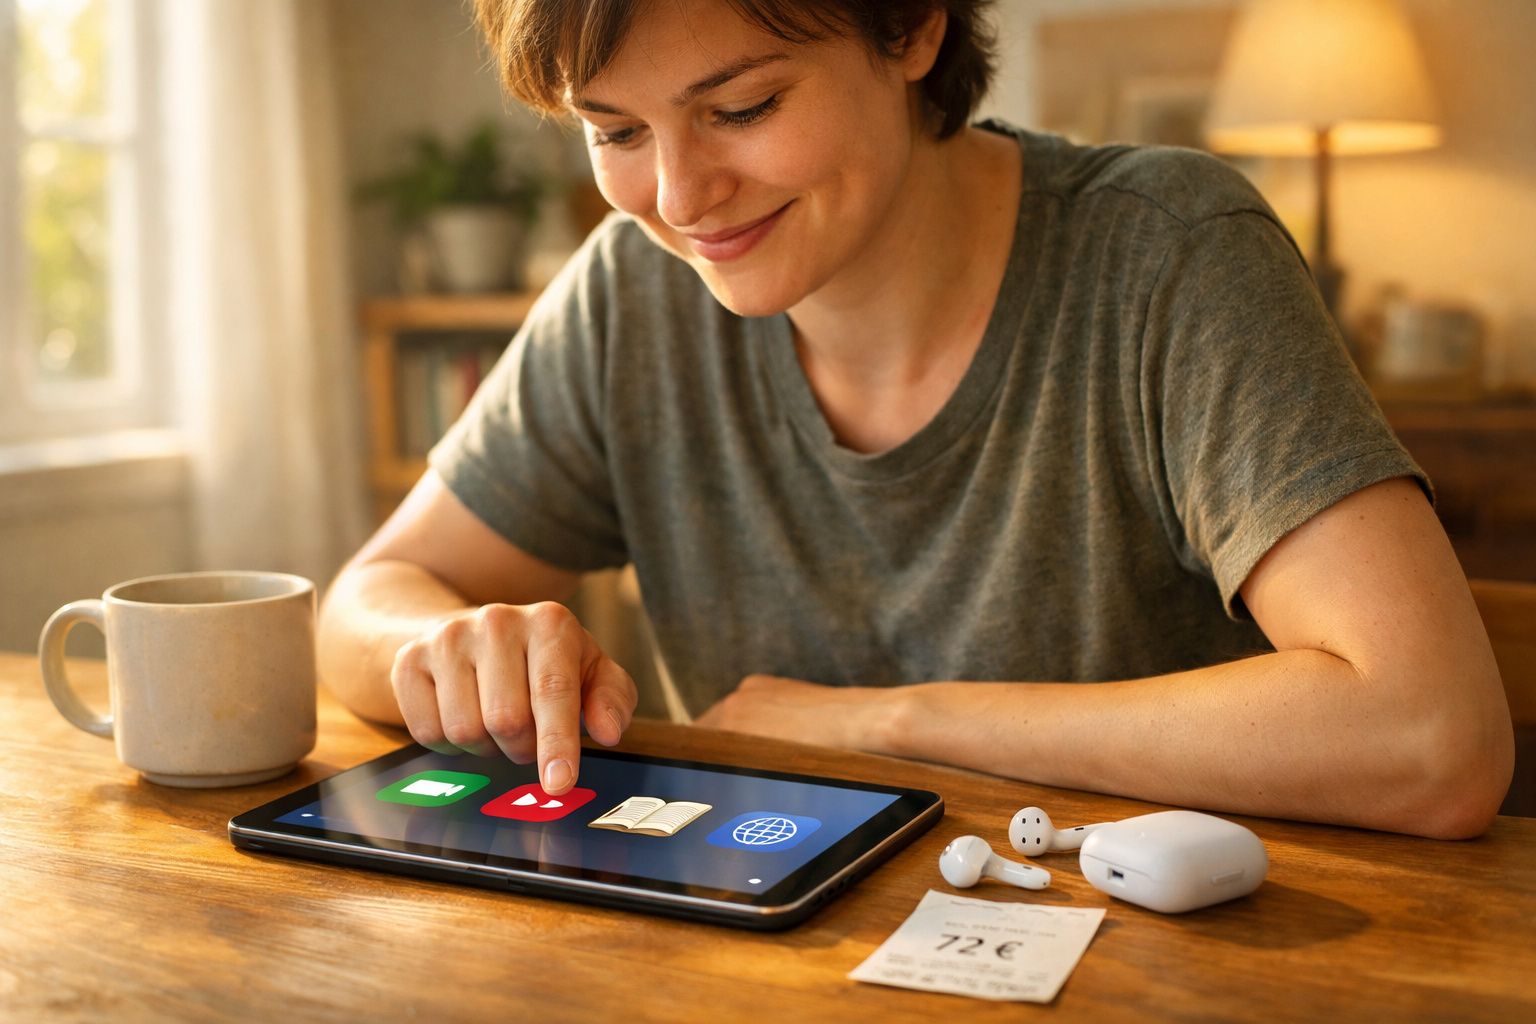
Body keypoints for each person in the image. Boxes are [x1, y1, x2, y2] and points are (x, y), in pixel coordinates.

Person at [319, 0, 1514, 839]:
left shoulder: (1167, 256)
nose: (679, 200)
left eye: (740, 107)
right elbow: (364, 602)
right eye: (617, 131)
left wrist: (890, 724)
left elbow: (1432, 738)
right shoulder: (630, 297)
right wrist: (447, 647)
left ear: (911, 27)